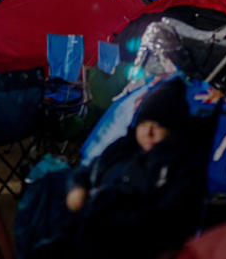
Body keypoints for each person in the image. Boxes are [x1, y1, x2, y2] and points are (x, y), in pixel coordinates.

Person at [49, 78, 212, 259]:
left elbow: (169, 222)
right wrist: (77, 188)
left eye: (158, 126)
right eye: (144, 124)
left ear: (173, 129)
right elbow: (87, 170)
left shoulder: (181, 166)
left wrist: (106, 213)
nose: (148, 132)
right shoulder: (122, 147)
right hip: (82, 231)